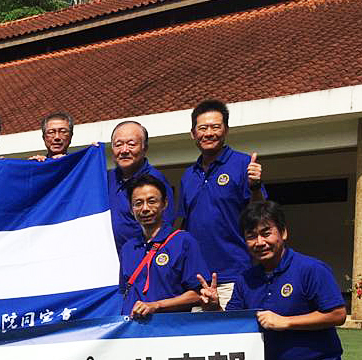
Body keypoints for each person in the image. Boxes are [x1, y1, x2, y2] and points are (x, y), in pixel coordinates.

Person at [199, 201, 349, 360]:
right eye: (251, 236)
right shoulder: (246, 278)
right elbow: (235, 324)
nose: (259, 242)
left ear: (283, 233)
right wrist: (214, 306)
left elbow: (337, 314)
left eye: (266, 233)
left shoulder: (311, 269)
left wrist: (286, 322)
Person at [179, 99, 265, 308]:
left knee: (230, 339)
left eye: (215, 127)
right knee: (199, 339)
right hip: (197, 281)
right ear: (193, 134)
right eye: (203, 128)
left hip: (235, 276)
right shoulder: (188, 176)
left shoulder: (243, 164)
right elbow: (182, 225)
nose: (209, 133)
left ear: (225, 130)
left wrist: (255, 186)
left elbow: (261, 215)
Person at [119, 176, 209, 318]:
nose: (145, 208)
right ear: (131, 209)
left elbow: (198, 294)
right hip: (133, 332)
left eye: (152, 201)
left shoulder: (183, 241)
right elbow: (124, 293)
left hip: (170, 331)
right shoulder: (127, 249)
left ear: (165, 203)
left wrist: (156, 305)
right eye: (138, 203)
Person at [107, 120, 176, 251]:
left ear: (145, 148)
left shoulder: (155, 181)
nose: (124, 150)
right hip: (113, 260)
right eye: (118, 145)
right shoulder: (108, 179)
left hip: (144, 257)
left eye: (131, 144)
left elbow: (165, 226)